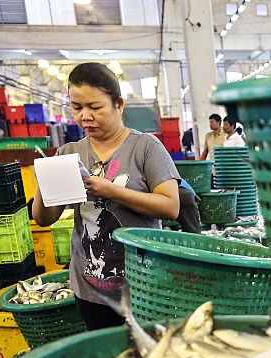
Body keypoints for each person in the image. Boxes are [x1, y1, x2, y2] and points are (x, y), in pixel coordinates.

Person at [32, 62, 180, 330]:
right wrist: (44, 183)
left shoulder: (145, 148)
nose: (84, 116)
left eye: (95, 107)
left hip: (143, 287)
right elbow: (44, 218)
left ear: (118, 105)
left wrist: (112, 191)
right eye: (77, 108)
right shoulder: (69, 152)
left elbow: (171, 207)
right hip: (91, 290)